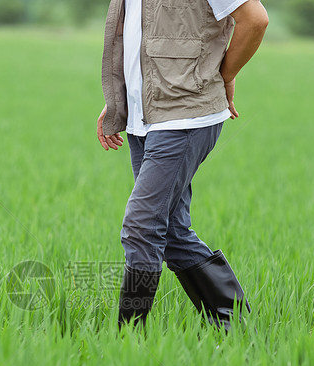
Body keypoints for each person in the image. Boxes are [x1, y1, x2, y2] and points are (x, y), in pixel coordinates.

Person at [97, 0, 269, 331]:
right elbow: (140, 35)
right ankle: (235, 326)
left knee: (141, 225)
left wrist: (224, 74)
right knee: (172, 232)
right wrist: (119, 99)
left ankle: (127, 338)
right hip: (144, 116)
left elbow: (255, 20)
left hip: (187, 114)